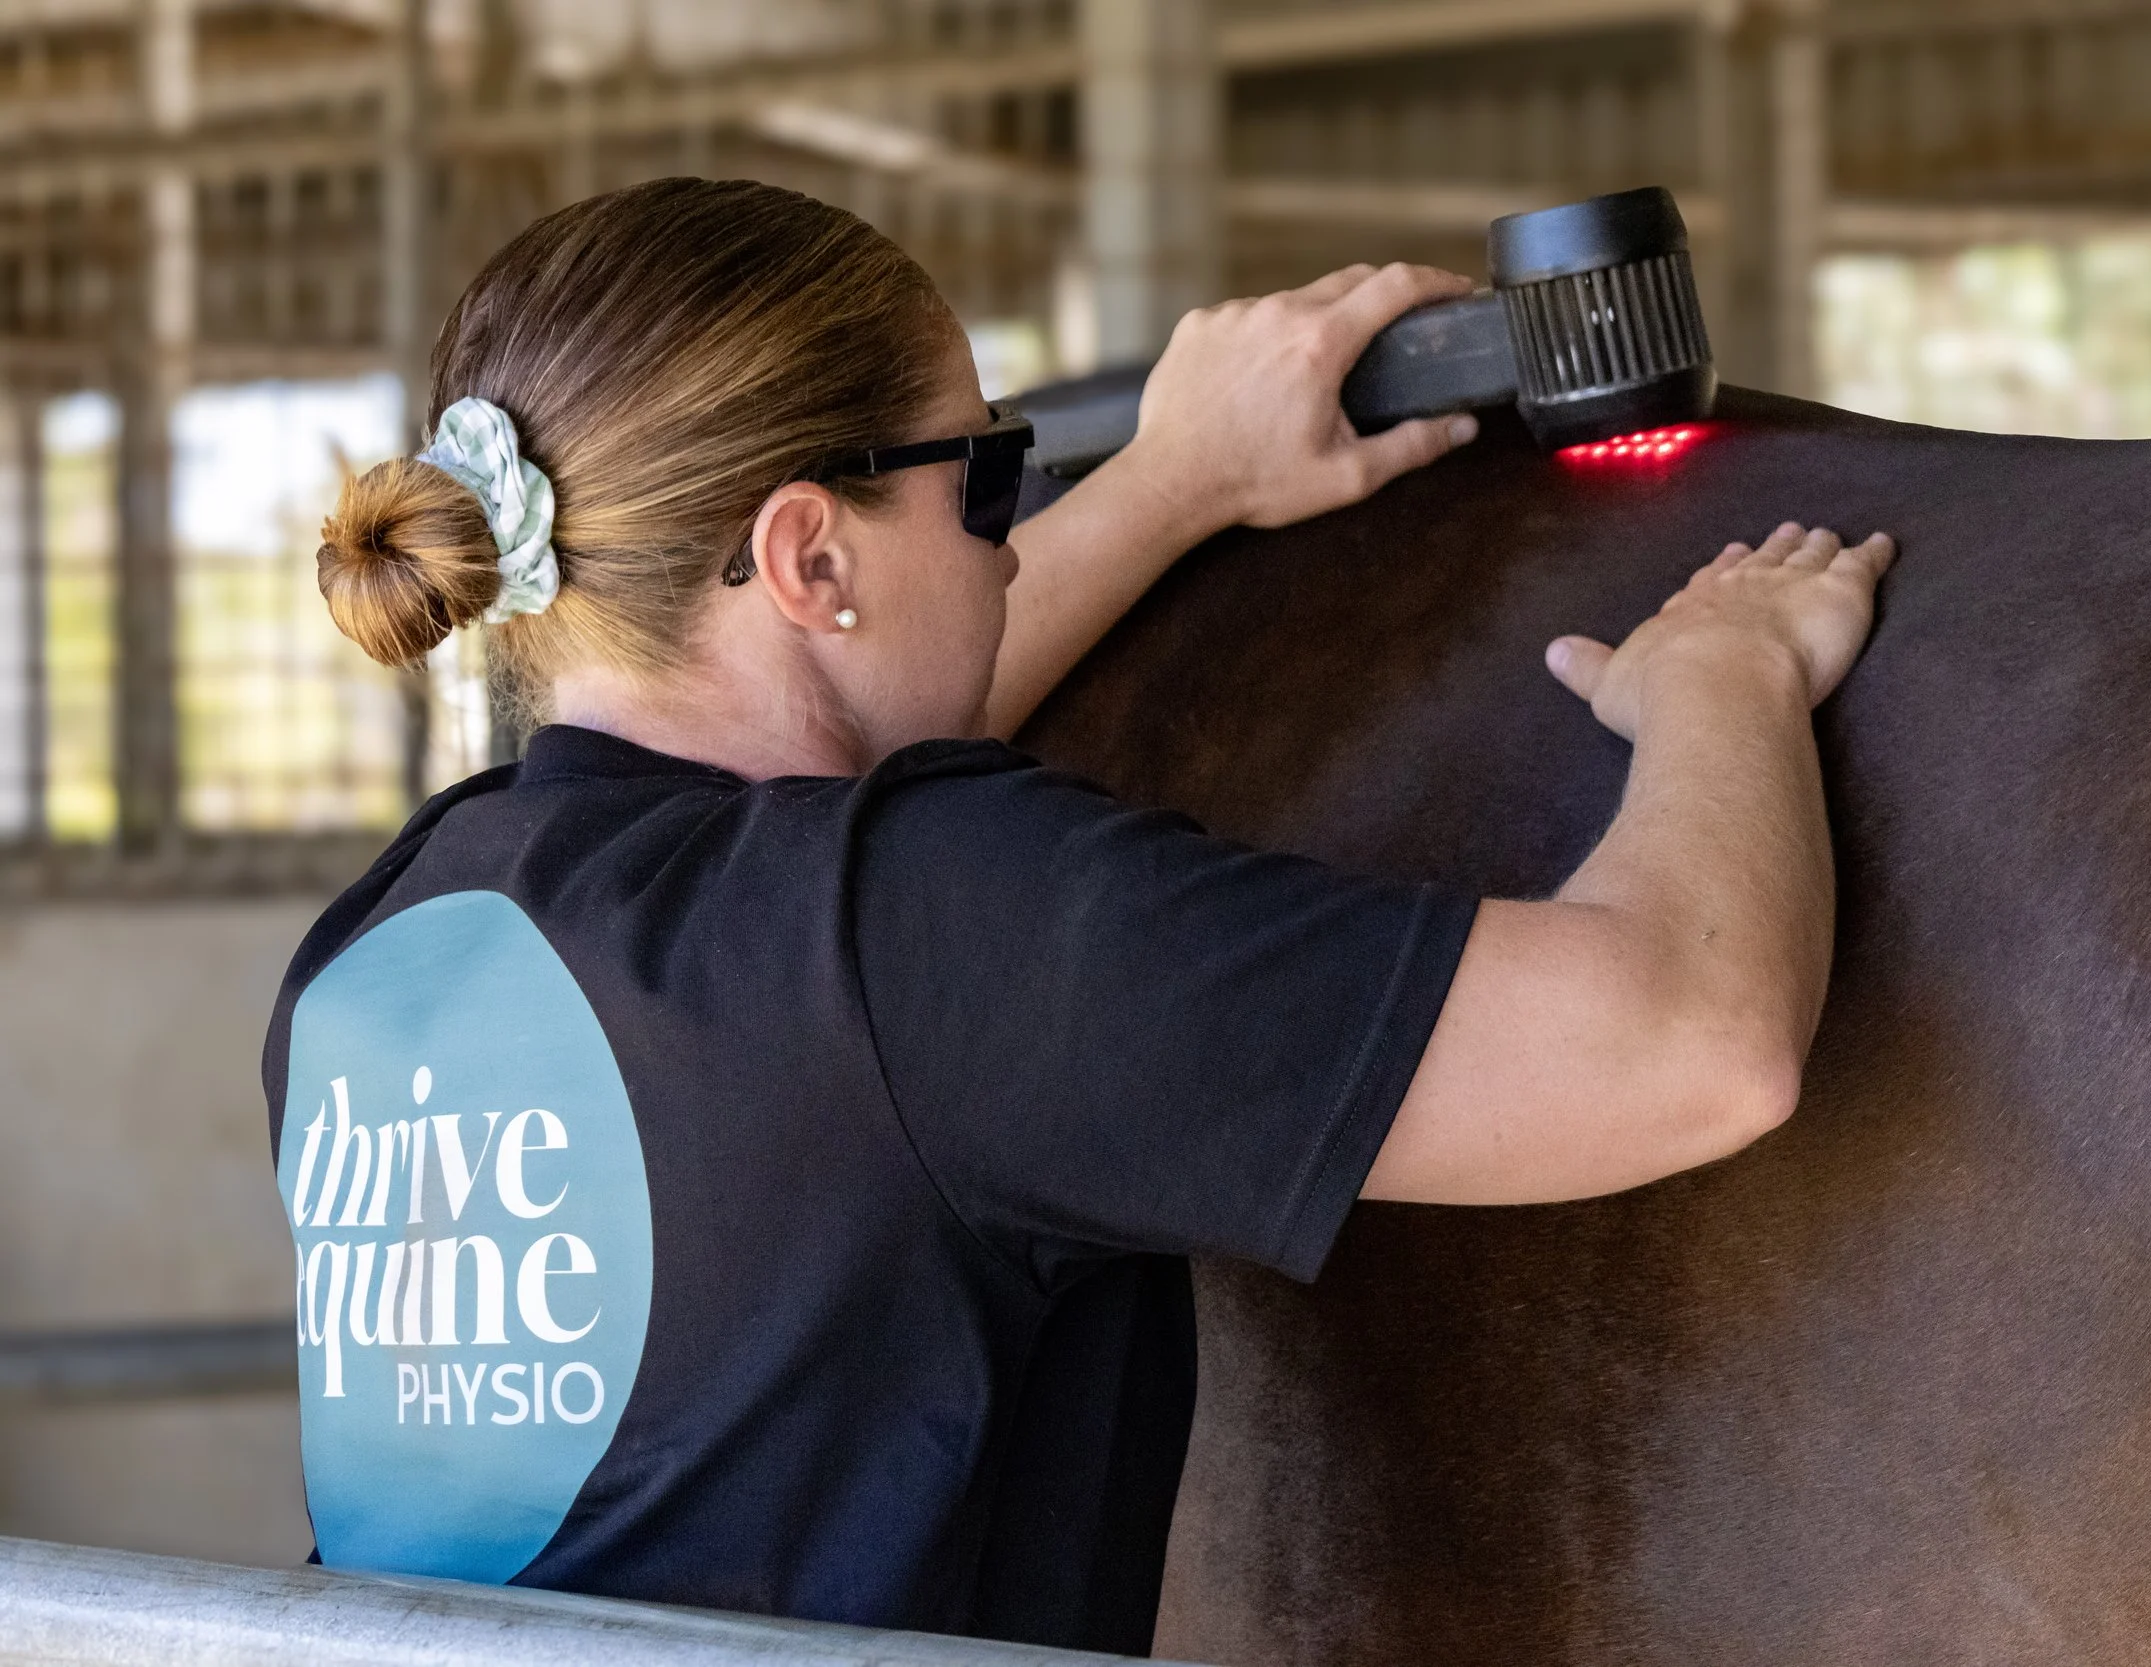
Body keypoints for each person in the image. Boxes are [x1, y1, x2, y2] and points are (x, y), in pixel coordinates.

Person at [267, 177, 1893, 1653]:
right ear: (807, 553)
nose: (1007, 548)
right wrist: (1726, 680)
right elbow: (1696, 1034)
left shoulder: (377, 949)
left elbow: (825, 838)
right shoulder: (926, 931)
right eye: (987, 478)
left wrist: (1186, 476)